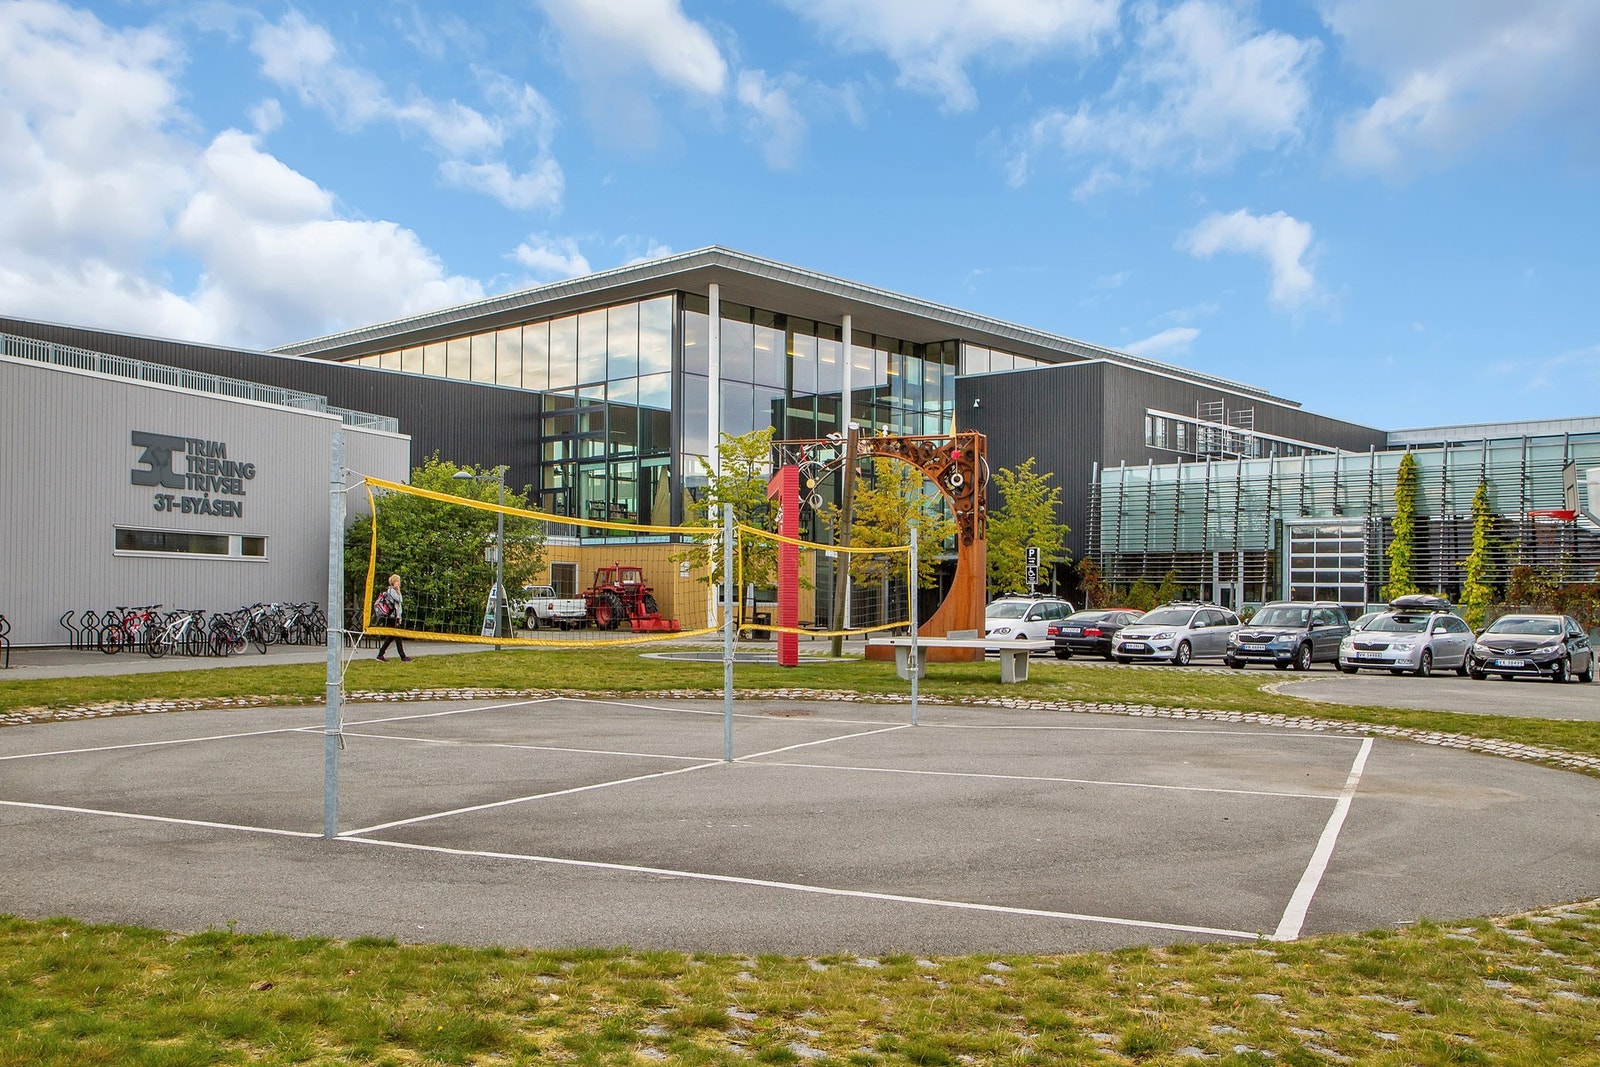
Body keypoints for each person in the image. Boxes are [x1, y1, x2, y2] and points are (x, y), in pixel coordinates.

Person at [375, 573, 412, 662]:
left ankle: (380, 655)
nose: (399, 583)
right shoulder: (391, 591)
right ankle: (403, 657)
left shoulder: (395, 591)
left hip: (395, 617)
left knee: (391, 637)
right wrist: (397, 589)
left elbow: (399, 605)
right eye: (397, 581)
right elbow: (400, 600)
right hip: (392, 617)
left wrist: (399, 617)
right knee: (397, 636)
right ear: (393, 582)